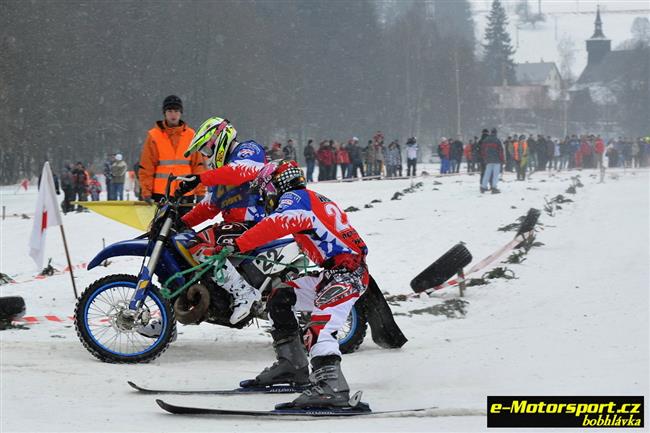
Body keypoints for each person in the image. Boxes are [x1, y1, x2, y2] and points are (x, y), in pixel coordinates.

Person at [233, 159, 369, 408]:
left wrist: (239, 243)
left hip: (346, 275)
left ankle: (332, 389)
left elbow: (278, 223)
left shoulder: (295, 198)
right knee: (280, 295)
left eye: (265, 191)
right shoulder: (310, 197)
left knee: (320, 329)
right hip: (333, 274)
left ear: (274, 185)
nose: (265, 198)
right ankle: (292, 365)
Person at [174, 117, 267, 324]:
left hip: (253, 223)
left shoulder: (247, 149)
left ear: (218, 138)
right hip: (236, 226)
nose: (207, 157)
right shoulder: (221, 173)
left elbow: (241, 171)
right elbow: (210, 206)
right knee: (191, 239)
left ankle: (244, 294)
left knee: (197, 245)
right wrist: (181, 221)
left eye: (207, 150)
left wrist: (201, 178)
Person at [138, 95, 205, 214]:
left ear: (181, 113)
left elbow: (198, 166)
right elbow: (147, 166)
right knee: (160, 230)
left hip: (186, 192)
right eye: (169, 111)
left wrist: (200, 191)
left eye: (176, 111)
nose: (173, 115)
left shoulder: (191, 135)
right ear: (164, 113)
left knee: (183, 228)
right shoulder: (154, 136)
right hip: (161, 194)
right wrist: (146, 191)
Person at [480, 128, 504, 193]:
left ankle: (483, 187)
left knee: (487, 173)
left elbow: (482, 150)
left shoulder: (486, 140)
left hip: (488, 160)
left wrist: (485, 158)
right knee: (495, 174)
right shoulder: (497, 140)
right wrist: (502, 160)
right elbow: (500, 151)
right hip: (496, 160)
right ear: (496, 133)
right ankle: (494, 187)